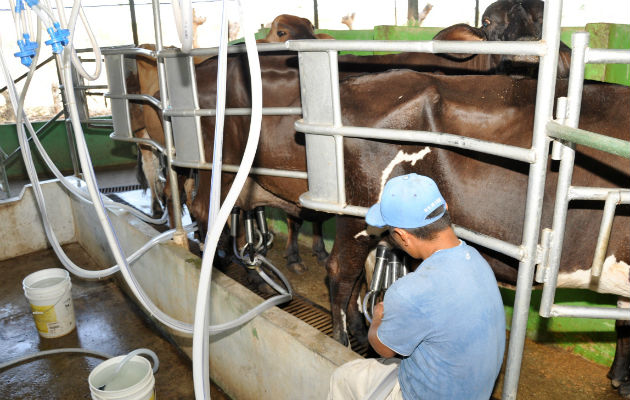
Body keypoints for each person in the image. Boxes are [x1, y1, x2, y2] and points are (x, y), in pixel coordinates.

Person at [328, 173, 506, 400]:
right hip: (475, 391)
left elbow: (384, 348)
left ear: (402, 236)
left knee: (343, 378)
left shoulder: (410, 292)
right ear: (445, 208)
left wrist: (379, 317)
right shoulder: (478, 260)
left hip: (421, 394)